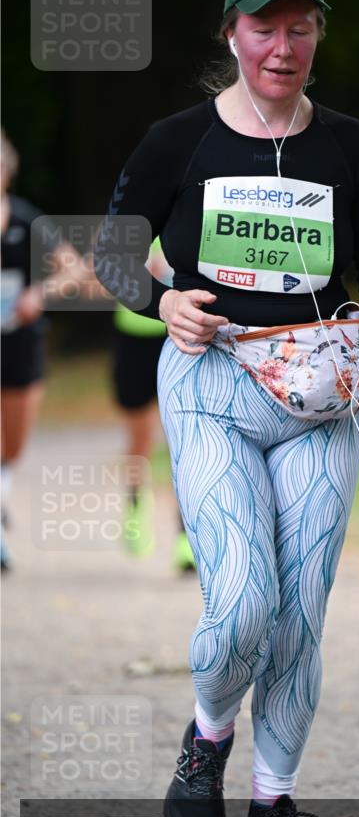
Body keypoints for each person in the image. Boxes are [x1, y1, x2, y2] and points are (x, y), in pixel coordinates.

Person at [94, 0, 359, 817]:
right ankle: (207, 736)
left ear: (318, 37)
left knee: (299, 610)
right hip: (213, 386)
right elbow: (110, 249)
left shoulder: (350, 146)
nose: (281, 47)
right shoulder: (179, 141)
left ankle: (273, 798)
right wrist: (160, 302)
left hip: (318, 395)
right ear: (231, 35)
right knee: (244, 600)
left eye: (299, 29)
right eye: (263, 29)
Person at [1, 128, 88, 570]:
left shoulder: (26, 220)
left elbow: (74, 271)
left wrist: (40, 294)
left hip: (20, 342)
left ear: (6, 172)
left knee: (12, 447)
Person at [111, 237, 196, 571]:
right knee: (140, 439)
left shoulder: (192, 209)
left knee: (183, 439)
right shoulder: (131, 216)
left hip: (178, 333)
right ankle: (135, 504)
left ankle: (186, 537)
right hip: (132, 337)